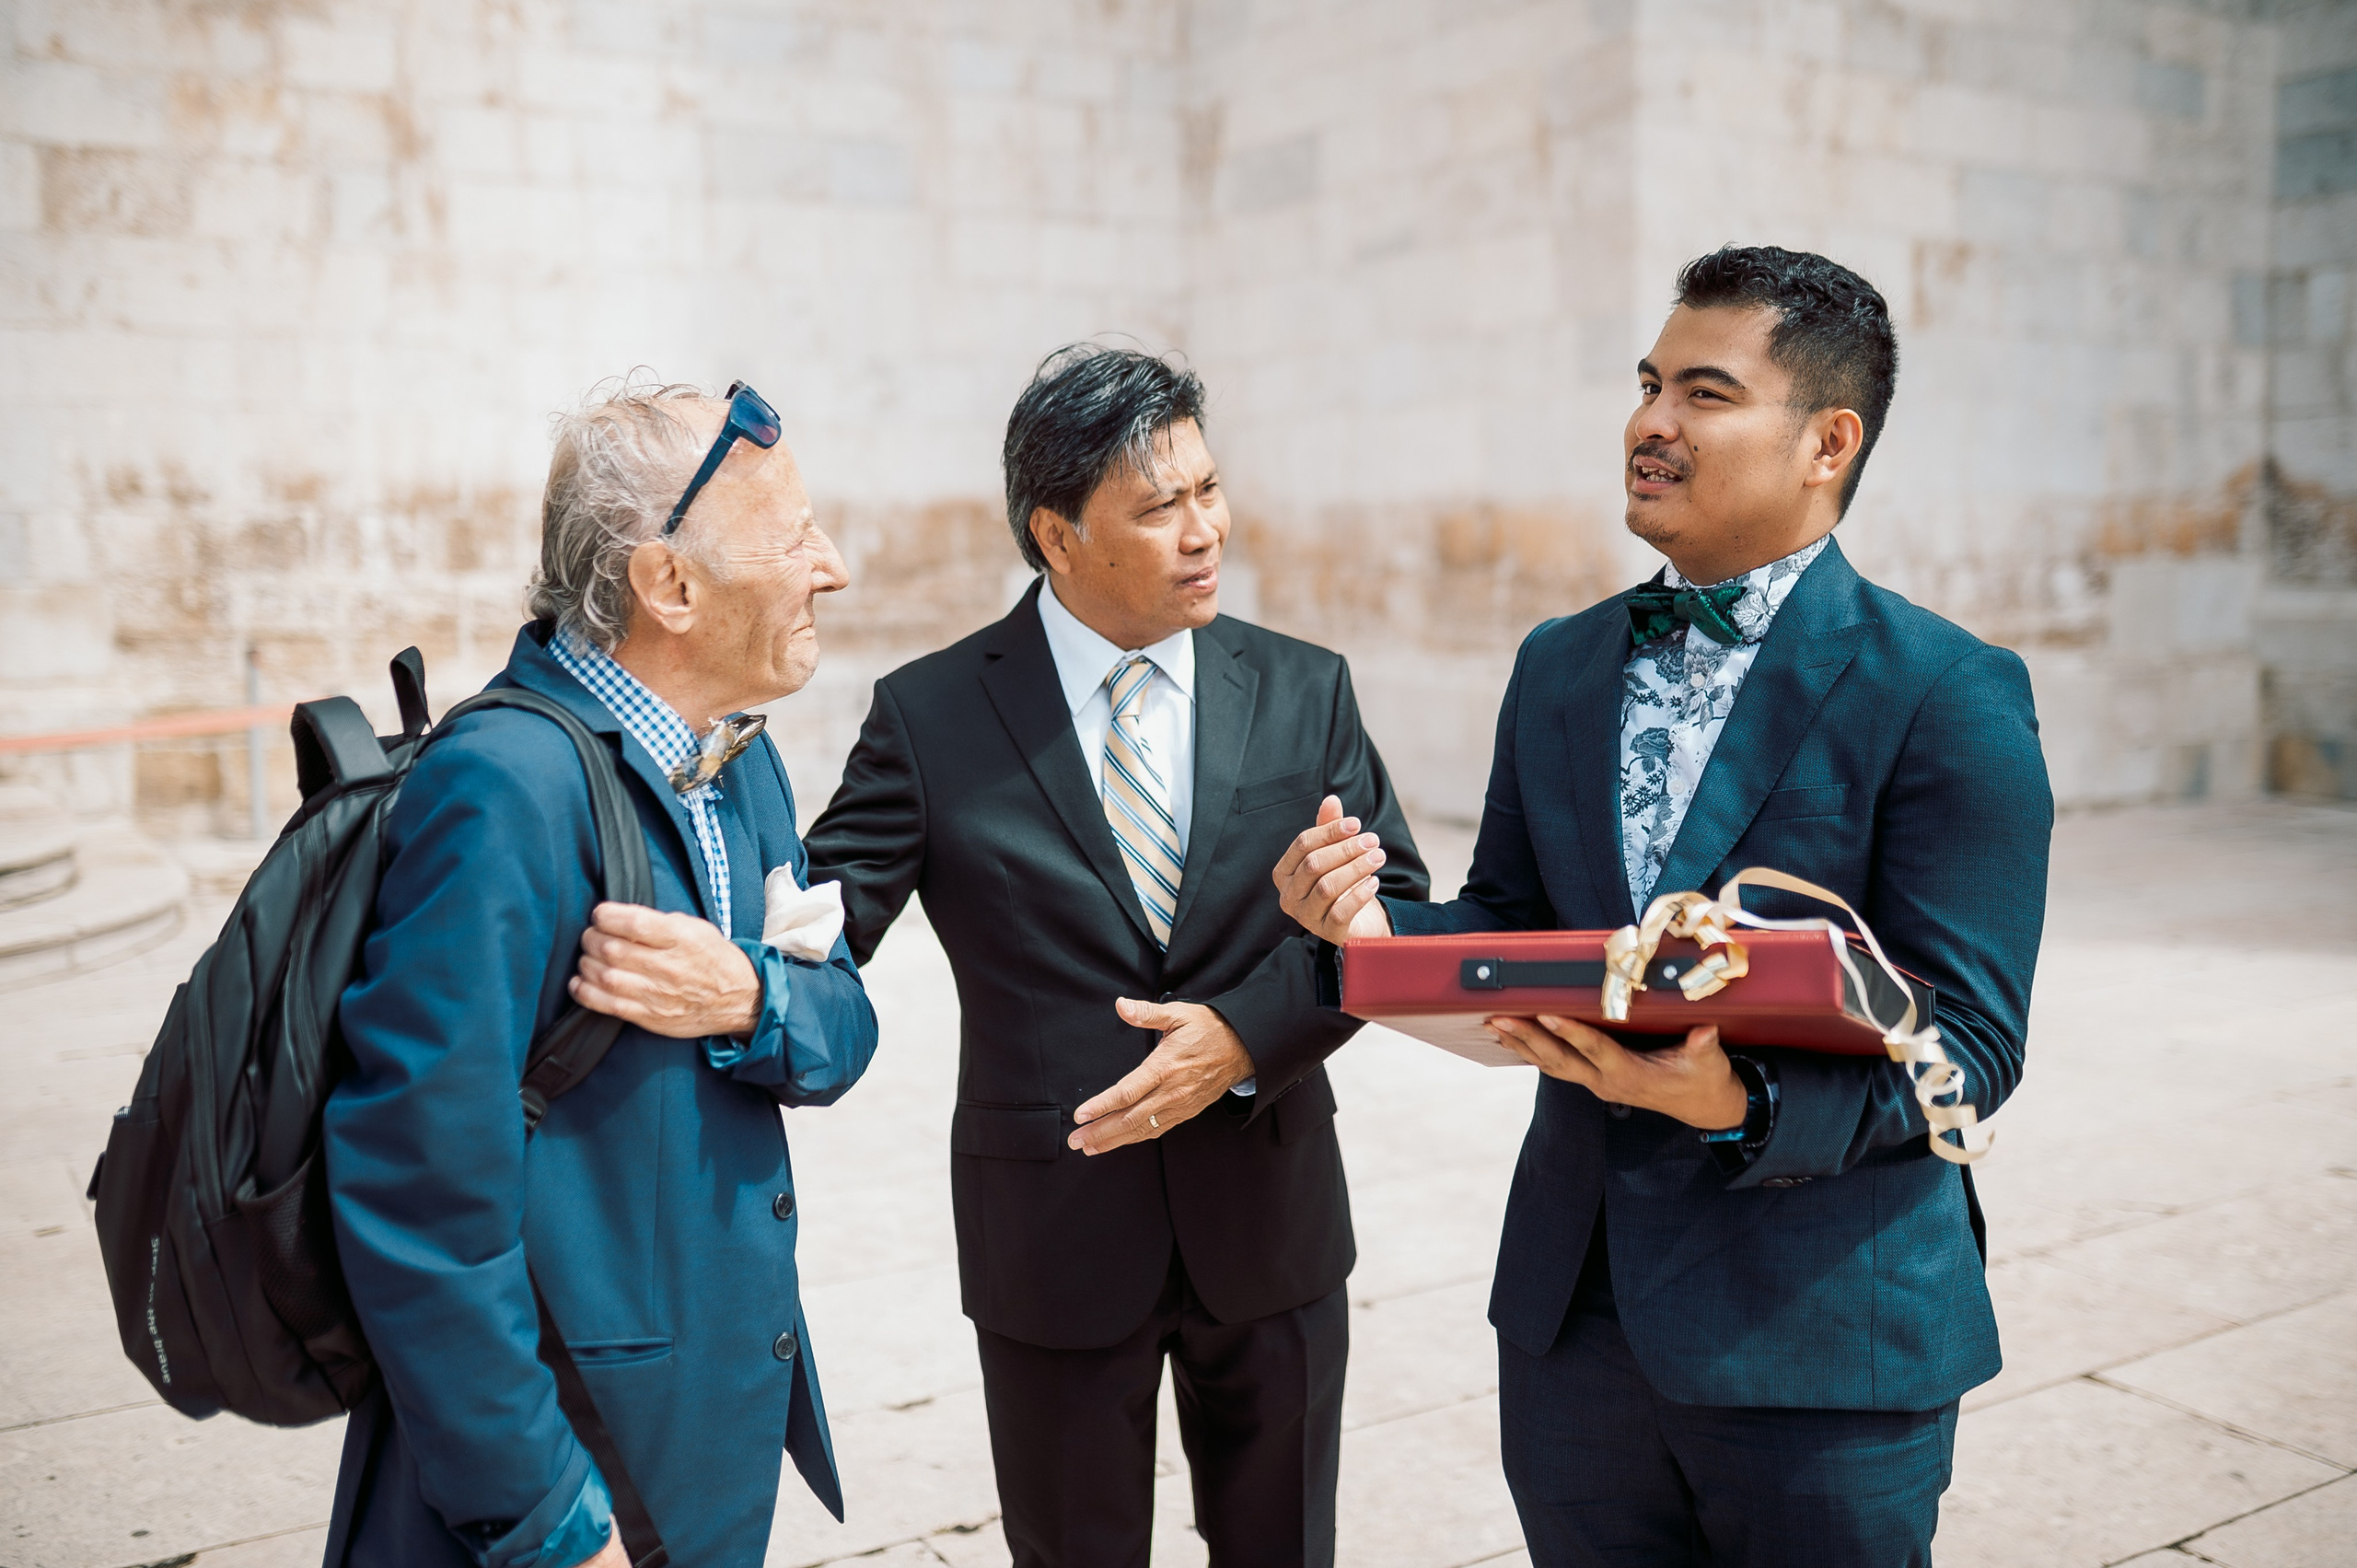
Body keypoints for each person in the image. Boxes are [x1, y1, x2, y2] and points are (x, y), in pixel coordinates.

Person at [1276, 248, 2052, 1566]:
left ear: (1827, 442)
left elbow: (1968, 1051)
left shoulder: (1946, 691)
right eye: (1648, 385)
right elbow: (1518, 924)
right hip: (1578, 1330)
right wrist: (1366, 936)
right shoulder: (1563, 663)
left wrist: (1737, 1105)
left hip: (1826, 1341)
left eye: (1705, 392)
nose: (1650, 423)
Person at [801, 344, 1428, 1568]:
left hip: (1274, 1217)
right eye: (1158, 508)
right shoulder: (931, 717)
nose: (1206, 531)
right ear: (1056, 533)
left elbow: (1389, 905)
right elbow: (822, 917)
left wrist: (1248, 1034)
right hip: (1054, 1232)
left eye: (1207, 490)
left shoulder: (1306, 691)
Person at [322, 380, 879, 1568]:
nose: (830, 567)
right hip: (574, 1474)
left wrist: (749, 998)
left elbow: (842, 1027)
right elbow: (416, 1192)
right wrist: (544, 1524)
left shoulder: (743, 761)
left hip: (709, 1441)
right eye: (791, 537)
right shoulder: (504, 787)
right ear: (667, 586)